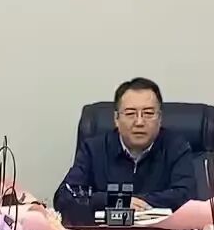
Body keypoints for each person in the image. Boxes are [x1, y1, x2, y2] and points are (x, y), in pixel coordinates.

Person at [53, 77, 196, 217]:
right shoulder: (93, 149)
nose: (139, 122)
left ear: (160, 118)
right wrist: (116, 201)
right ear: (116, 119)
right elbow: (64, 198)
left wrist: (136, 203)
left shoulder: (176, 147)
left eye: (148, 113)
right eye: (130, 113)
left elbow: (188, 196)